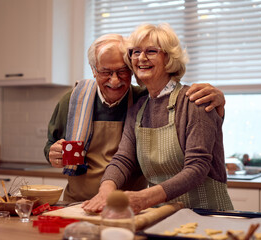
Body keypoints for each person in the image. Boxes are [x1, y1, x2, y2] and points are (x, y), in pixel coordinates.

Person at [44, 33, 226, 203]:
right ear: (93, 70)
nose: (114, 81)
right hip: (77, 203)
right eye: (106, 72)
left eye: (122, 71)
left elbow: (199, 136)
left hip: (130, 204)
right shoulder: (73, 101)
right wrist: (53, 154)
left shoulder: (143, 99)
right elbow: (122, 158)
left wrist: (218, 103)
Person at [82, 23, 233, 213]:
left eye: (151, 51)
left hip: (207, 214)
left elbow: (197, 168)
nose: (141, 58)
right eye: (135, 52)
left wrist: (145, 197)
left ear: (169, 58)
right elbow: (123, 159)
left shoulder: (196, 99)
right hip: (161, 215)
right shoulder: (137, 108)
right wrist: (106, 191)